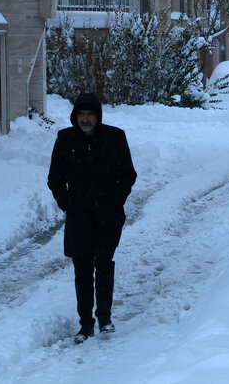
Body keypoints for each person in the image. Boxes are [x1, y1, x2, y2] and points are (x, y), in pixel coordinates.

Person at [48, 92, 137, 343]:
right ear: (75, 116)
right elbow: (55, 178)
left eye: (90, 114)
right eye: (81, 114)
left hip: (108, 215)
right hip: (78, 217)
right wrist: (67, 202)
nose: (85, 119)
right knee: (82, 267)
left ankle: (105, 317)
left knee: (104, 262)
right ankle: (85, 324)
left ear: (98, 116)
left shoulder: (115, 137)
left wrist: (114, 201)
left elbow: (128, 174)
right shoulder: (65, 139)